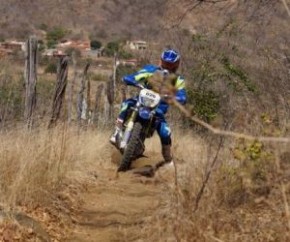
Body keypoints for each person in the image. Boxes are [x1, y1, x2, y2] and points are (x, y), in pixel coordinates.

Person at [110, 49, 187, 167]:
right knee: (127, 103)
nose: (168, 66)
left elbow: (182, 94)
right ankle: (117, 131)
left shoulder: (178, 80)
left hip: (158, 110)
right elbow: (137, 75)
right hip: (140, 102)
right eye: (165, 63)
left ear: (176, 64)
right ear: (161, 61)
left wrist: (178, 97)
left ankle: (168, 160)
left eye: (171, 64)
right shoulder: (151, 70)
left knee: (165, 132)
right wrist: (130, 79)